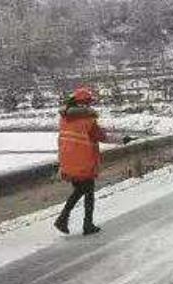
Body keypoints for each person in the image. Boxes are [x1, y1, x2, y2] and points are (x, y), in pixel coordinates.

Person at [54, 86, 132, 235]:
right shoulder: (88, 121)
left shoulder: (64, 119)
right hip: (83, 162)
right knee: (86, 191)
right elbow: (102, 136)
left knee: (82, 190)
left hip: (68, 161)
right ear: (85, 103)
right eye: (89, 102)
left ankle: (74, 220)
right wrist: (122, 139)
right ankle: (71, 220)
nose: (90, 105)